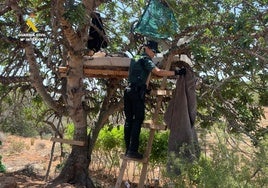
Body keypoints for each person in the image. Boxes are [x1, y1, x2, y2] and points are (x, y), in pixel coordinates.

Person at [124, 40, 186, 159]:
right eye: (153, 51)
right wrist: (176, 72)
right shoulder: (146, 59)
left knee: (129, 121)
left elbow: (135, 75)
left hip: (129, 91)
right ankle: (132, 150)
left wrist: (144, 88)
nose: (154, 54)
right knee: (138, 119)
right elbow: (158, 72)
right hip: (136, 93)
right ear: (147, 48)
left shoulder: (135, 58)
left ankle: (128, 149)